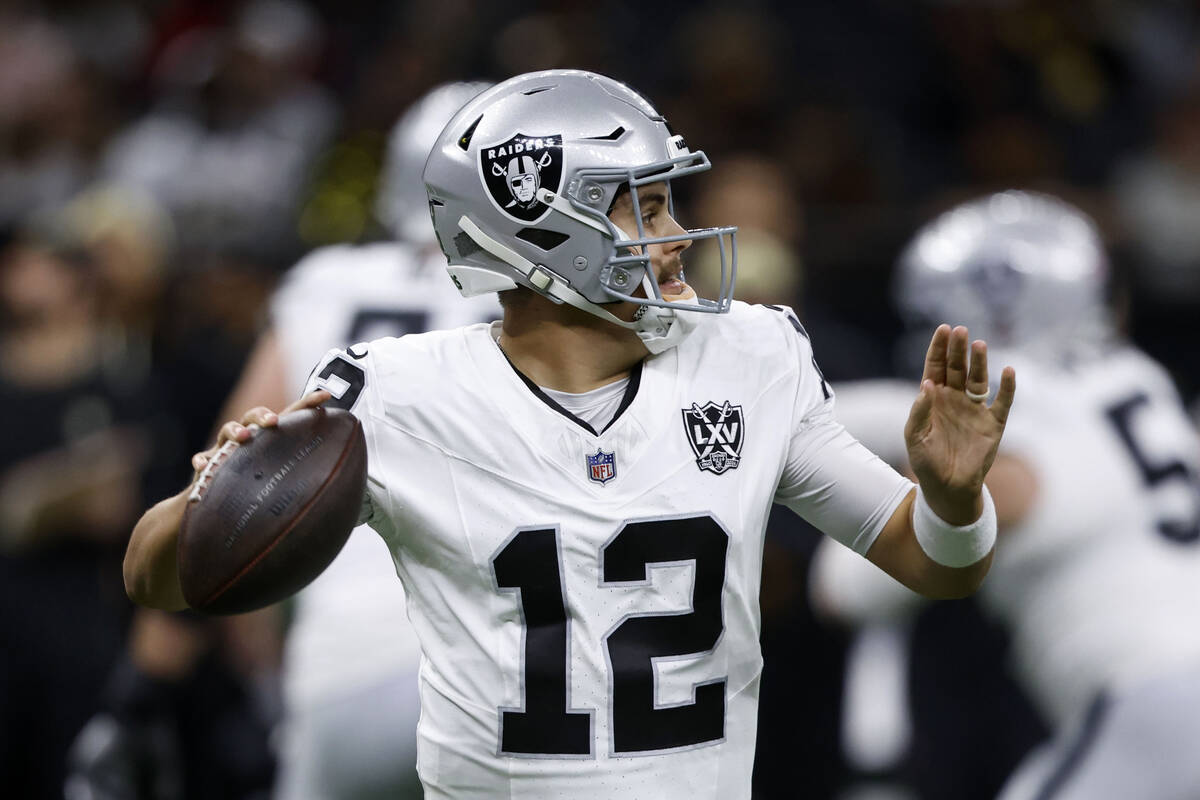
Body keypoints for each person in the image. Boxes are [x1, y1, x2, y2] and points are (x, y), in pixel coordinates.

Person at [124, 69, 1015, 800]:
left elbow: (937, 563)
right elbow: (159, 578)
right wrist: (212, 495)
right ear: (544, 231)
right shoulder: (395, 392)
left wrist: (949, 497)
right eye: (648, 210)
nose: (677, 240)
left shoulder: (752, 354)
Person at [810, 190, 1200, 799]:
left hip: (1158, 701)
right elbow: (859, 410)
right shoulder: (1134, 377)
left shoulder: (1017, 414)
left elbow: (846, 591)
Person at [218, 80, 497, 800]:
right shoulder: (552, 301)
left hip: (341, 661)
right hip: (498, 665)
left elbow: (229, 488)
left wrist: (262, 669)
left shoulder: (326, 282)